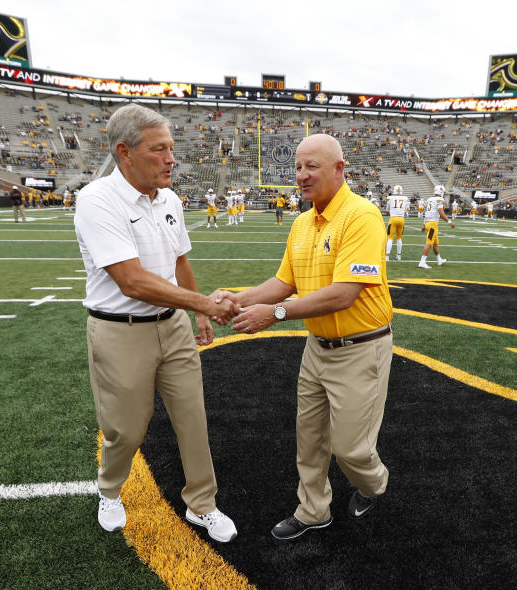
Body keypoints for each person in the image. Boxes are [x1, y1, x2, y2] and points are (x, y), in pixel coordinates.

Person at [73, 104, 239, 542]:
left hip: (174, 327)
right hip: (120, 329)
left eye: (171, 149)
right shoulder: (96, 200)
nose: (171, 159)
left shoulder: (170, 199)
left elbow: (179, 260)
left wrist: (198, 312)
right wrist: (205, 301)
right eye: (159, 149)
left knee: (192, 418)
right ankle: (110, 490)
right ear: (125, 152)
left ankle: (202, 504)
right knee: (126, 427)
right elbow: (132, 281)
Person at [229, 134, 393, 541]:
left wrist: (276, 314)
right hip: (316, 348)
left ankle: (374, 485)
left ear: (339, 169)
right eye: (298, 167)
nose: (301, 176)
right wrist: (235, 300)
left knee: (352, 450)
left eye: (311, 167)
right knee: (310, 439)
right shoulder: (302, 222)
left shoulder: (361, 216)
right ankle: (313, 509)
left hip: (360, 348)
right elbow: (284, 282)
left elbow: (345, 292)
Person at [419, 184, 455, 269]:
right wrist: (449, 222)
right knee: (429, 243)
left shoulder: (429, 199)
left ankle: (439, 260)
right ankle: (422, 262)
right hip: (432, 224)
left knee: (435, 243)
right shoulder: (439, 199)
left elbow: (426, 213)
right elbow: (441, 213)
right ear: (441, 192)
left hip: (428, 223)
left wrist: (424, 225)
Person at [385, 184, 409, 261]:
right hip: (401, 219)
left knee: (390, 238)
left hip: (393, 219)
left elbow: (387, 211)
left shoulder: (390, 198)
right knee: (399, 238)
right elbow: (406, 212)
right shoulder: (405, 198)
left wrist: (392, 214)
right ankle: (399, 256)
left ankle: (387, 256)